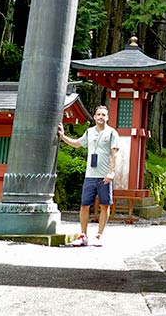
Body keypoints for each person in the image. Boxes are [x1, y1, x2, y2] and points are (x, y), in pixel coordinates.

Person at [58, 104, 119, 247]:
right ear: (94, 116)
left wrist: (111, 173)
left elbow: (115, 155)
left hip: (105, 176)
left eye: (103, 115)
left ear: (107, 117)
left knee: (105, 205)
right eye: (99, 115)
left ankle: (99, 235)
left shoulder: (112, 133)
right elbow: (77, 144)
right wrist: (62, 136)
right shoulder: (89, 132)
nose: (101, 117)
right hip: (90, 175)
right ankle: (83, 235)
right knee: (84, 205)